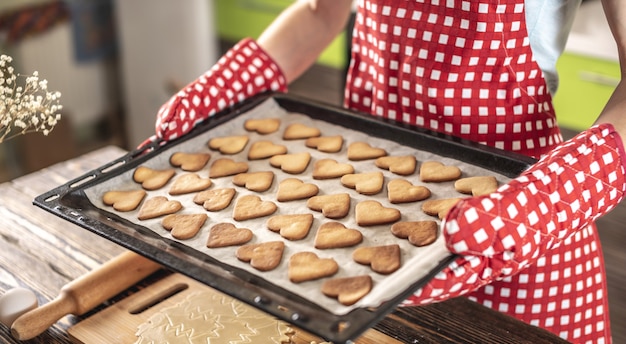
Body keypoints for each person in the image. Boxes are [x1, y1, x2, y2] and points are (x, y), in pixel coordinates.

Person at [146, 1, 626, 342]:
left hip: (523, 226)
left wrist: (555, 196)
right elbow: (322, 11)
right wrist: (233, 84)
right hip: (368, 224)